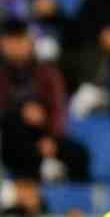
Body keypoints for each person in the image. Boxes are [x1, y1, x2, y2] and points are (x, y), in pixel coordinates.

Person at [0, 20, 90, 185]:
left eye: (20, 40)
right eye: (11, 40)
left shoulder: (47, 73)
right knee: (14, 136)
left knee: (79, 154)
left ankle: (76, 205)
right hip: (11, 140)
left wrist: (51, 138)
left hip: (46, 134)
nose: (16, 46)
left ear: (30, 42)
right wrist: (20, 113)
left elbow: (58, 108)